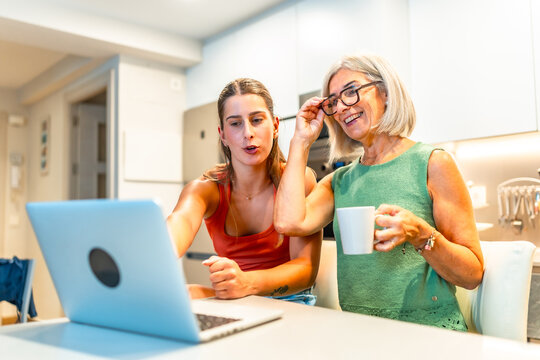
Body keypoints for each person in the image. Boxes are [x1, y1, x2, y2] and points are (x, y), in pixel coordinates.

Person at [274, 54, 484, 329]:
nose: (342, 108)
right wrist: (300, 141)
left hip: (429, 334)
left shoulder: (433, 163)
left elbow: (472, 274)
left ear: (384, 92)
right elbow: (287, 222)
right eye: (334, 101)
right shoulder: (340, 181)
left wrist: (421, 234)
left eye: (351, 91)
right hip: (360, 331)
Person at [167, 78, 321, 305]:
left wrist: (246, 282)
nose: (247, 133)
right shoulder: (205, 189)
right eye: (235, 123)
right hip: (238, 301)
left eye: (257, 120)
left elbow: (306, 268)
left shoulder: (299, 179)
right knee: (182, 295)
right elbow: (177, 226)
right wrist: (155, 257)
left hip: (290, 301)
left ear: (276, 126)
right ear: (222, 135)